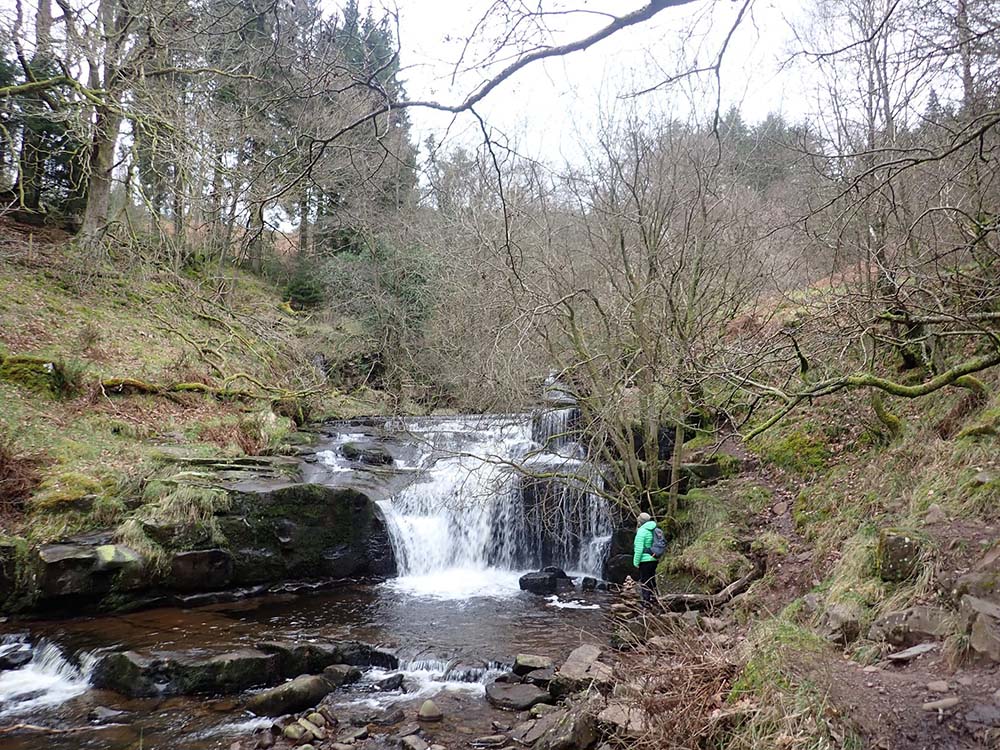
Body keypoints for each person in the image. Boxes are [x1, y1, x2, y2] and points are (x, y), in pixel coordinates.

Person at [632, 512, 659, 607]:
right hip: (654, 558)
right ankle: (655, 598)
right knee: (652, 579)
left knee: (645, 580)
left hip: (644, 560)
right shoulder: (654, 529)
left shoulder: (641, 531)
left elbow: (638, 549)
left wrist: (636, 562)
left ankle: (646, 602)